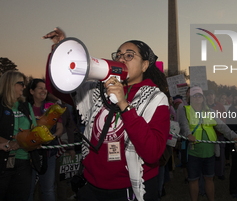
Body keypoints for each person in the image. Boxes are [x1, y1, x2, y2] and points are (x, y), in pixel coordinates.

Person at [43, 27, 170, 201]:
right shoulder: (97, 91)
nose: (121, 59)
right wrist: (60, 51)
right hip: (92, 185)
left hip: (129, 189)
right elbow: (56, 87)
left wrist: (124, 105)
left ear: (145, 65)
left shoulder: (156, 99)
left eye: (129, 55)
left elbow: (152, 152)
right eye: (118, 55)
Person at [178, 86, 237, 201]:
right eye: (194, 95)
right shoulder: (184, 110)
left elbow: (223, 127)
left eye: (199, 95)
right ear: (190, 98)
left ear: (203, 98)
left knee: (209, 179)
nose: (197, 98)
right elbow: (183, 125)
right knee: (193, 180)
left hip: (209, 153)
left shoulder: (211, 112)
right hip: (193, 152)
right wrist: (188, 135)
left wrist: (235, 136)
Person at [0, 71, 38, 201]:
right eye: (21, 83)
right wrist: (6, 143)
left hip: (24, 162)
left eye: (25, 84)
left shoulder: (26, 106)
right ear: (9, 84)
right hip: (2, 163)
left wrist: (22, 141)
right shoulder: (1, 105)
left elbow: (34, 131)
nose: (24, 87)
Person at [26, 78, 63, 201]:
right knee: (28, 189)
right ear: (31, 91)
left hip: (48, 154)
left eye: (45, 88)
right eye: (40, 88)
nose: (44, 91)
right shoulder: (25, 108)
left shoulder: (51, 107)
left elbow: (60, 128)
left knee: (48, 189)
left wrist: (52, 137)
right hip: (29, 155)